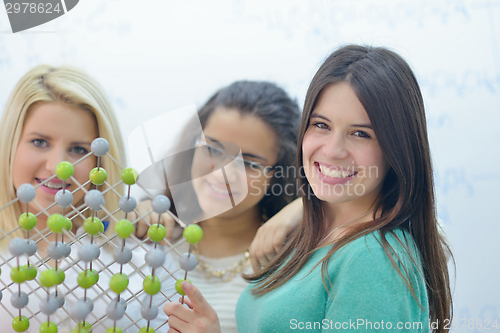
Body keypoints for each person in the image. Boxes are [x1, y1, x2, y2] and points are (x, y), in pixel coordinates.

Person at [163, 45, 453, 333]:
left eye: (361, 133)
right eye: (321, 125)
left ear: (397, 149)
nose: (333, 150)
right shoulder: (314, 237)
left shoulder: (373, 257)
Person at [0, 65, 175, 332]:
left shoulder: (143, 255)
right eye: (39, 142)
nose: (58, 166)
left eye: (79, 149)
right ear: (10, 143)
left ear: (100, 162)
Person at [136, 81, 300, 333]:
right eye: (212, 149)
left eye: (250, 164)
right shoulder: (150, 233)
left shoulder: (289, 264)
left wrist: (308, 205)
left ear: (278, 175)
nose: (224, 173)